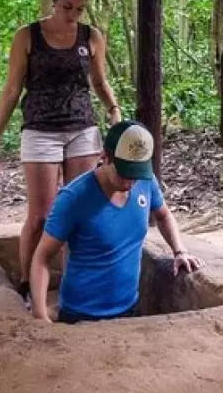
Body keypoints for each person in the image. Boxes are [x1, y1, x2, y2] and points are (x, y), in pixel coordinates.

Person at [0, 0, 122, 305]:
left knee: (79, 210)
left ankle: (74, 285)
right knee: (41, 215)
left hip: (82, 129)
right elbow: (11, 90)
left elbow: (98, 82)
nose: (73, 15)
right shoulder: (28, 36)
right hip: (40, 130)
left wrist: (114, 109)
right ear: (54, 1)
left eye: (79, 9)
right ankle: (27, 283)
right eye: (67, 7)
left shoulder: (91, 37)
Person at [30, 121, 204, 323]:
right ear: (104, 157)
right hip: (82, 315)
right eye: (124, 173)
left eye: (136, 175)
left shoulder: (146, 181)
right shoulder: (73, 197)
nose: (131, 183)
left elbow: (163, 214)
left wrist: (179, 250)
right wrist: (40, 313)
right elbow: (42, 257)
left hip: (130, 308)